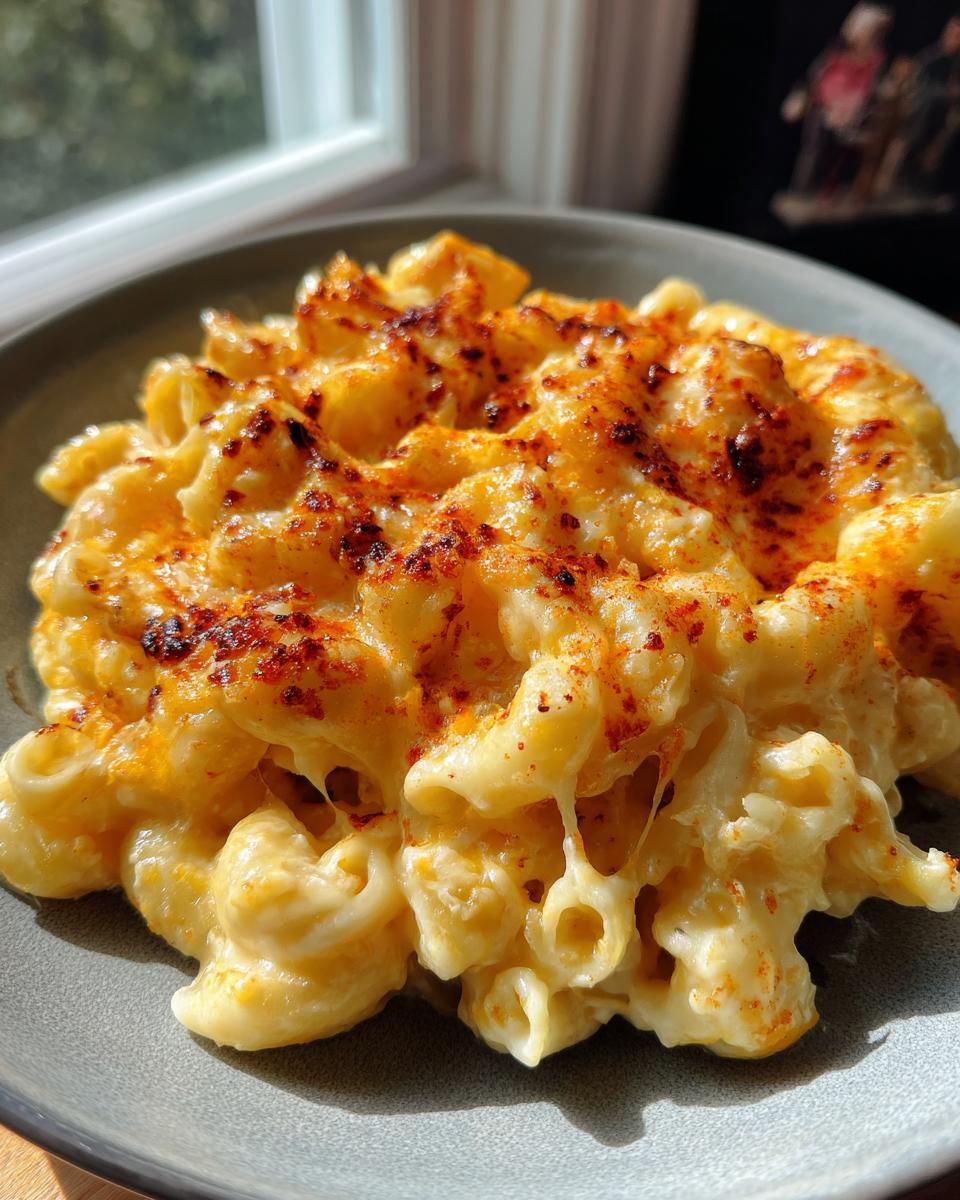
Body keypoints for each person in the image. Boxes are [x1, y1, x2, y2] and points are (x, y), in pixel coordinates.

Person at [783, 3, 892, 198]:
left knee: (847, 147)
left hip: (854, 114)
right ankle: (801, 192)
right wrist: (831, 104)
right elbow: (816, 81)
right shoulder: (836, 51)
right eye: (869, 30)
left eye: (877, 32)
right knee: (815, 147)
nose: (872, 35)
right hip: (825, 108)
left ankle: (828, 191)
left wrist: (855, 105)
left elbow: (871, 91)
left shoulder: (876, 59)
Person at [901, 15, 960, 191]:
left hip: (948, 111)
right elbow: (917, 83)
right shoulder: (931, 55)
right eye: (954, 33)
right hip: (922, 104)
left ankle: (932, 173)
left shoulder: (957, 61)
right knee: (930, 105)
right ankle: (914, 161)